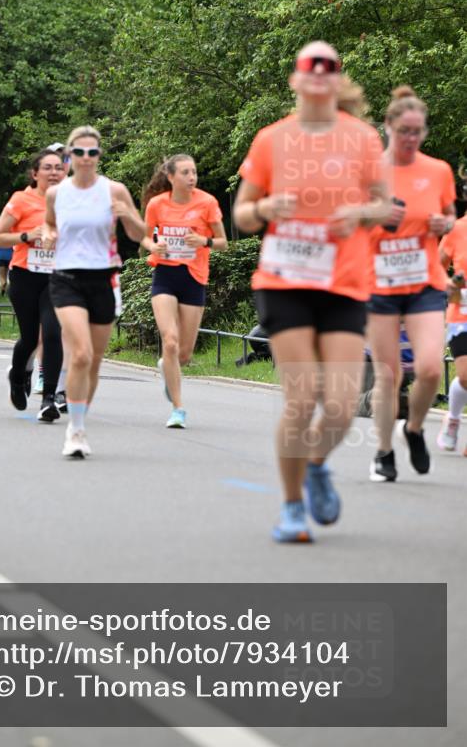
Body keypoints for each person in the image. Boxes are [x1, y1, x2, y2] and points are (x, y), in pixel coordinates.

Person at [234, 42, 390, 542]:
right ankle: (292, 506)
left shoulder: (363, 139)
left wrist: (359, 214)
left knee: (343, 406)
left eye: (330, 68)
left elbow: (387, 207)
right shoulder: (270, 140)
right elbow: (241, 214)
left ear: (337, 80)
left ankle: (317, 463)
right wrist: (267, 208)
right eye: (310, 66)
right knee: (301, 399)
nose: (319, 74)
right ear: (295, 80)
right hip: (285, 281)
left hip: (343, 283)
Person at [366, 87, 456, 481]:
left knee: (431, 369)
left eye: (418, 131)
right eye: (404, 130)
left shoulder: (438, 170)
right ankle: (383, 453)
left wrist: (445, 224)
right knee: (389, 374)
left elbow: (450, 216)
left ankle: (414, 428)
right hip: (379, 285)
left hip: (424, 283)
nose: (411, 139)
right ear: (387, 127)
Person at [45, 125, 146, 457]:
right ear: (69, 155)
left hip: (103, 278)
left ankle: (79, 420)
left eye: (92, 153)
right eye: (79, 152)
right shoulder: (56, 193)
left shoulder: (114, 190)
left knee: (94, 363)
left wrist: (128, 214)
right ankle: (74, 432)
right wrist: (47, 234)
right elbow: (49, 223)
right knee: (82, 353)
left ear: (99, 155)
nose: (86, 159)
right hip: (66, 278)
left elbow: (139, 233)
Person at [141, 155, 227, 427]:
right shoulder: (157, 204)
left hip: (194, 278)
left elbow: (223, 242)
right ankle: (178, 409)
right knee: (170, 340)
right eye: (186, 172)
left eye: (194, 172)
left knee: (185, 354)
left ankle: (169, 367)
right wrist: (154, 245)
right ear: (171, 177)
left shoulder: (207, 202)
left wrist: (204, 240)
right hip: (165, 275)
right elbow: (145, 237)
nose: (192, 177)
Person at [0, 148, 66, 421]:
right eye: (48, 168)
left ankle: (49, 398)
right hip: (24, 276)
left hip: (57, 278)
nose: (54, 172)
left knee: (53, 333)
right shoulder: (20, 200)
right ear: (35, 173)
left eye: (59, 167)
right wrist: (27, 235)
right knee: (30, 338)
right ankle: (17, 374)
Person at [437, 215, 467, 451]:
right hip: (462, 315)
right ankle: (453, 419)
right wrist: (448, 284)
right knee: (466, 375)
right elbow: (435, 267)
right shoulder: (457, 229)